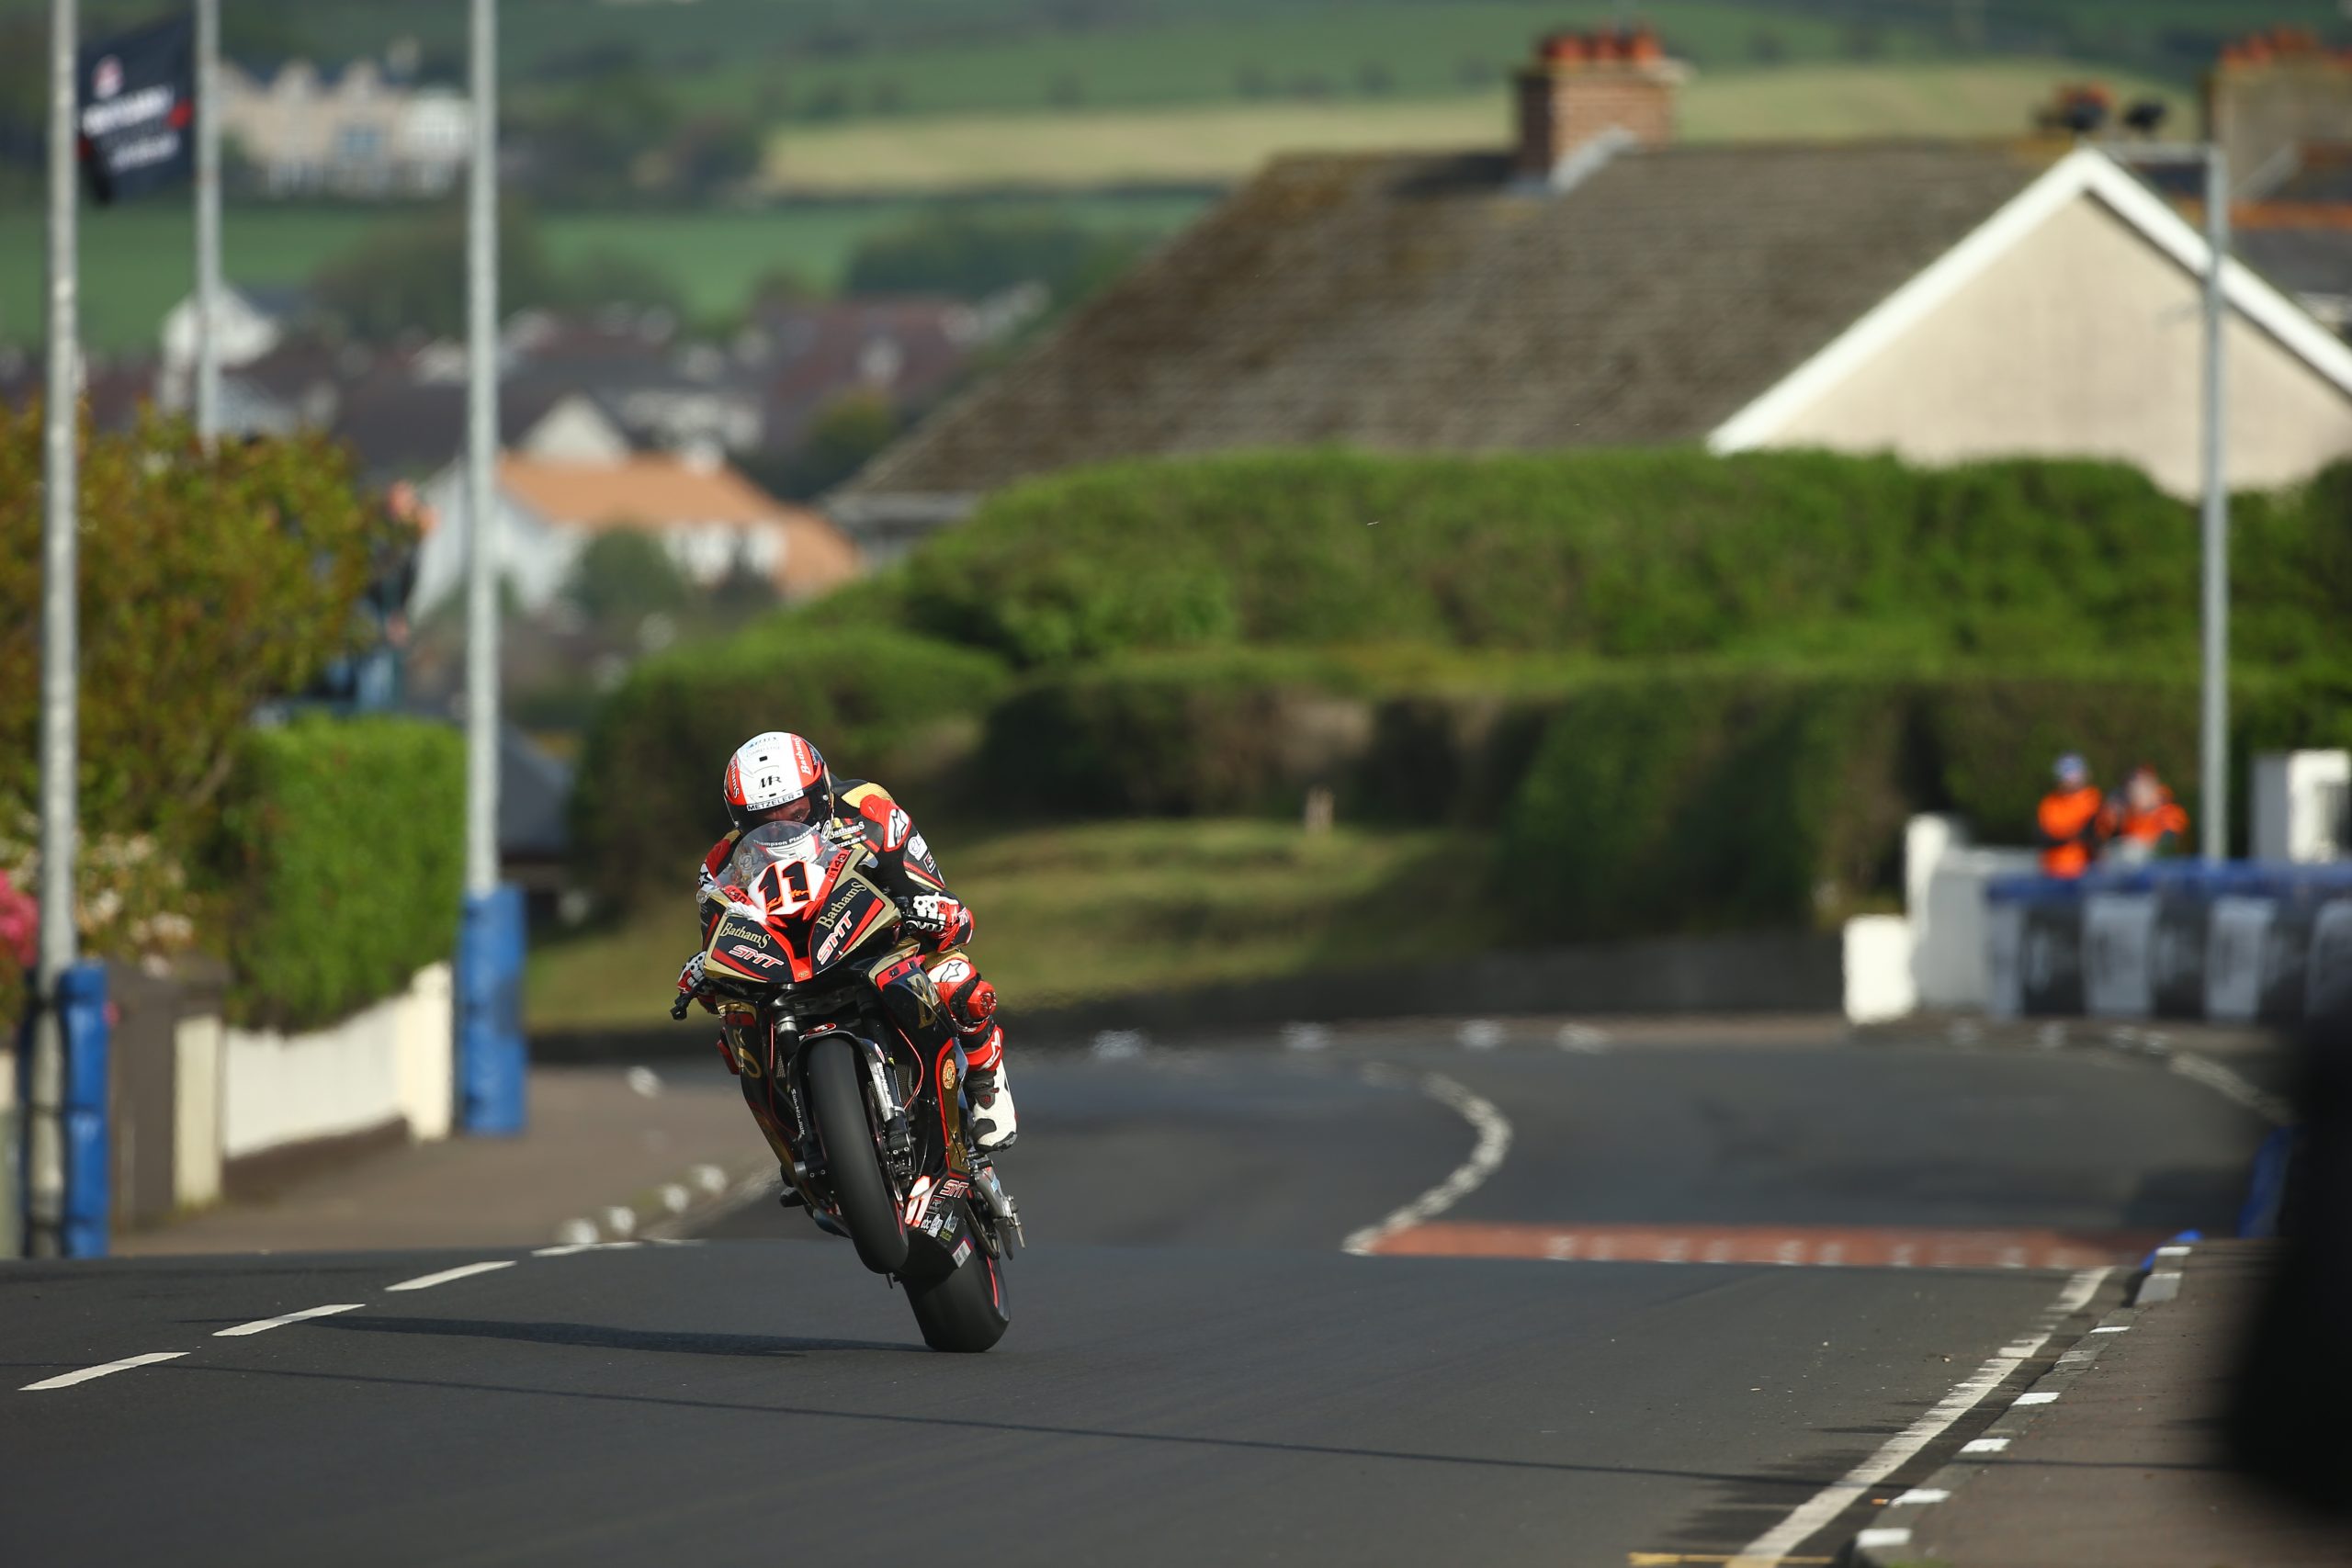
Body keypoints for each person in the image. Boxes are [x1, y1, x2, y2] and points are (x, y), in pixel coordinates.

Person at [676, 730, 1017, 1151]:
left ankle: (985, 1080)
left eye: (795, 811)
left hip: (879, 948)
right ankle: (794, 1138)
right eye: (764, 820)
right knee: (738, 1027)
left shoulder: (870, 812)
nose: (781, 827)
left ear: (819, 794)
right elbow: (720, 956)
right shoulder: (721, 866)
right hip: (786, 971)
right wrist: (705, 972)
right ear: (740, 820)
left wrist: (935, 910)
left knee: (954, 978)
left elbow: (944, 908)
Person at [2037, 752, 2109, 878]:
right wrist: (2074, 836)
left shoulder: (2094, 799)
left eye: (2074, 774)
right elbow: (2044, 837)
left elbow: (2096, 835)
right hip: (2053, 870)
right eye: (2066, 775)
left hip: (2086, 870)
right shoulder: (2049, 803)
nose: (2070, 779)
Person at [2106, 763, 2190, 863]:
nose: (2137, 792)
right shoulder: (2126, 815)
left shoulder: (2169, 813)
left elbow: (2167, 844)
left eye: (2143, 787)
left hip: (2160, 871)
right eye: (2133, 788)